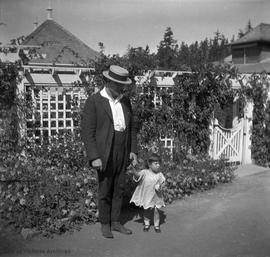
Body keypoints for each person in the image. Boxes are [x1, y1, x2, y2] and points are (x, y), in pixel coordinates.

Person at [81, 65, 138, 239]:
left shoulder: (125, 101)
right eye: (117, 85)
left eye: (123, 86)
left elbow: (132, 129)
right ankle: (105, 224)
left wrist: (133, 150)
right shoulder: (94, 101)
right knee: (105, 188)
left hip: (123, 149)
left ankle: (116, 222)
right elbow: (87, 131)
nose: (121, 89)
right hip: (105, 152)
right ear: (107, 82)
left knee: (119, 188)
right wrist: (94, 156)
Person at [129, 153, 166, 233]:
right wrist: (133, 169)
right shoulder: (145, 172)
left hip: (157, 197)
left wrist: (160, 186)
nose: (158, 165)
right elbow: (137, 176)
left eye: (159, 163)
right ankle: (147, 224)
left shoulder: (159, 174)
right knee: (147, 210)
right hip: (147, 196)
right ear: (149, 164)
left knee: (156, 211)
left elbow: (163, 182)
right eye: (156, 163)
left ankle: (156, 225)